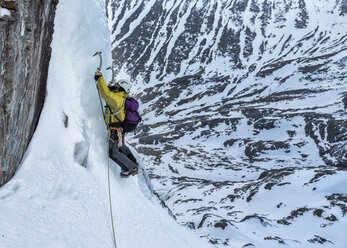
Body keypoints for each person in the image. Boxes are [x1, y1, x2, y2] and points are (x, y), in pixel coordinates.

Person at [94, 71, 138, 178]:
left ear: (121, 87)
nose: (115, 86)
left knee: (113, 153)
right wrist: (111, 88)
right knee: (121, 146)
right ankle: (133, 162)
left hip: (115, 130)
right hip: (119, 129)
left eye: (117, 85)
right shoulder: (121, 98)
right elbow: (111, 94)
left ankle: (130, 167)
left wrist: (100, 79)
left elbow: (106, 94)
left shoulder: (117, 100)